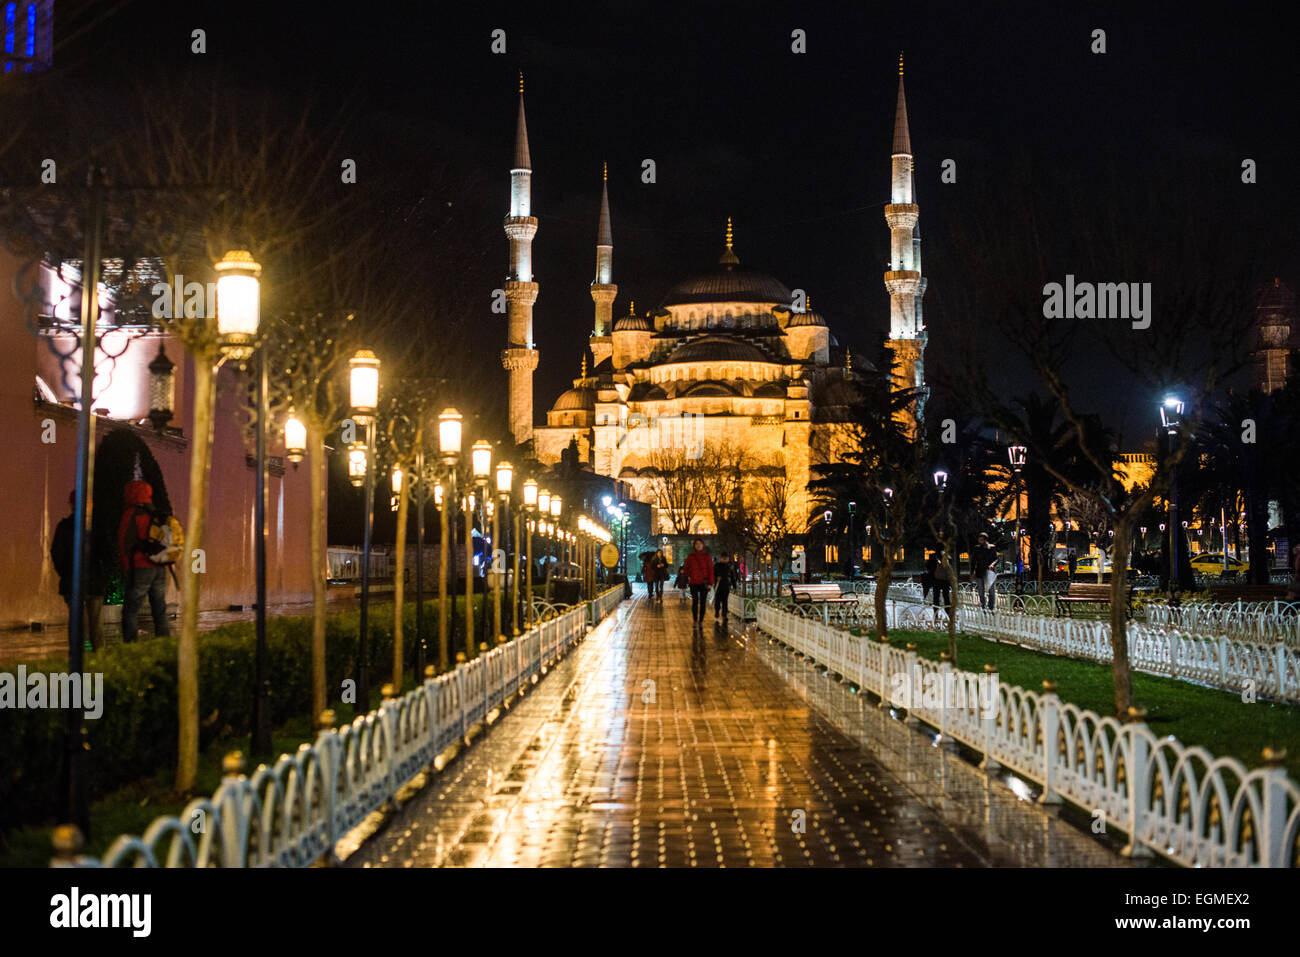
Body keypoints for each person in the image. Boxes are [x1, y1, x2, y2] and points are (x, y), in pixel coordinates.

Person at [117, 480, 172, 643]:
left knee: (131, 610)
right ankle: (165, 643)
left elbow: (124, 541)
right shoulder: (156, 513)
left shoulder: (132, 513)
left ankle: (131, 645)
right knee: (159, 609)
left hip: (141, 566)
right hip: (160, 566)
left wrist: (127, 566)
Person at [50, 490, 105, 650]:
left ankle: (76, 656)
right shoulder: (97, 526)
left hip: (72, 581)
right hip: (94, 581)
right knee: (96, 624)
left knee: (76, 623)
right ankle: (100, 660)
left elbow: (57, 553)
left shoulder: (65, 526)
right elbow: (106, 552)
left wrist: (66, 573)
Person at [683, 538, 714, 627]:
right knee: (695, 602)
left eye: (700, 544)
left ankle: (701, 621)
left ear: (703, 545)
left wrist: (710, 583)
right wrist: (690, 574)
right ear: (694, 545)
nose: (698, 545)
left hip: (704, 582)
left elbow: (711, 570)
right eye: (696, 544)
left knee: (703, 602)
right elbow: (685, 568)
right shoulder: (691, 557)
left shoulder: (707, 557)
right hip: (694, 582)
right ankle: (695, 620)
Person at [971, 532, 998, 610]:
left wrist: (992, 564)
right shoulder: (977, 548)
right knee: (981, 592)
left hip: (989, 572)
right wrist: (972, 573)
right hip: (979, 572)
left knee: (991, 591)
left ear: (985, 540)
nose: (980, 541)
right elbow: (973, 561)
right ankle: (983, 607)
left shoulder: (992, 548)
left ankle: (991, 607)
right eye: (979, 540)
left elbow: (996, 559)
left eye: (982, 540)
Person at [713, 551, 737, 623]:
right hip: (718, 586)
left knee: (725, 601)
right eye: (723, 558)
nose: (725, 559)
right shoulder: (717, 565)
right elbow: (712, 574)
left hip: (726, 586)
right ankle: (717, 611)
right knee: (717, 600)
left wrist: (734, 587)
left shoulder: (730, 567)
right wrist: (716, 578)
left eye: (726, 558)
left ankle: (724, 614)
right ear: (721, 558)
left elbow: (733, 577)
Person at [932, 547, 951, 612]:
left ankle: (946, 612)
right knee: (939, 597)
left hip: (943, 580)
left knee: (944, 597)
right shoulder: (937, 559)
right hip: (939, 580)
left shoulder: (945, 559)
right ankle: (937, 613)